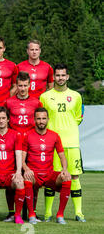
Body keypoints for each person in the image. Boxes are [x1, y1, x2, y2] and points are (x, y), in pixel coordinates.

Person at [40, 64, 85, 222]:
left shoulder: (76, 96)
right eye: (57, 75)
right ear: (54, 78)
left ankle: (78, 213)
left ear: (67, 77)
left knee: (74, 176)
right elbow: (42, 118)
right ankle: (47, 213)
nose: (60, 78)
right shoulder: (45, 97)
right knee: (51, 178)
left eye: (63, 75)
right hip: (52, 144)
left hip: (72, 142)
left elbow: (79, 117)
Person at [22, 107, 72, 224]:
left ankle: (60, 215)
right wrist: (26, 169)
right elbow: (22, 160)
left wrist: (65, 170)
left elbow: (62, 157)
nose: (41, 121)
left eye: (44, 118)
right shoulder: (27, 135)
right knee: (27, 179)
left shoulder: (54, 136)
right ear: (34, 120)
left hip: (49, 175)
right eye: (38, 118)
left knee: (67, 178)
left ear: (48, 119)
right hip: (34, 175)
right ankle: (31, 215)